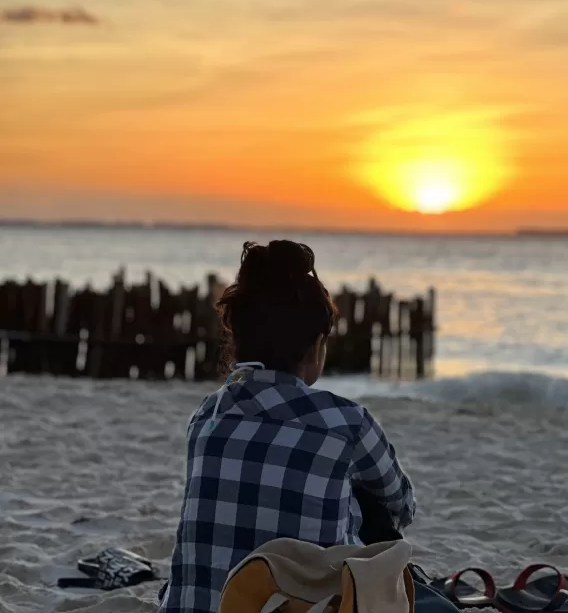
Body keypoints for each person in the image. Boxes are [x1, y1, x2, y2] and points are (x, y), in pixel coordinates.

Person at [160, 240, 416, 613]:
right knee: (368, 505)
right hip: (300, 605)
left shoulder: (207, 416)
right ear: (316, 347)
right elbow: (402, 507)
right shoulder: (346, 422)